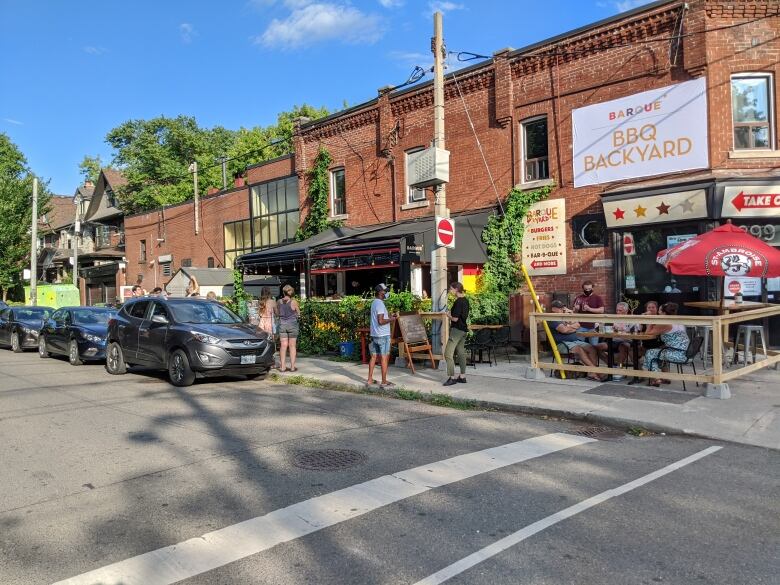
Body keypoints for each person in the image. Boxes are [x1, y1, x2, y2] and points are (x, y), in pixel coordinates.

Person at [549, 300, 605, 381]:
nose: (563, 309)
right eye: (560, 308)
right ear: (553, 309)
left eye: (563, 307)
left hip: (574, 341)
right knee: (579, 349)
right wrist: (571, 327)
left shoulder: (563, 316)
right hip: (562, 343)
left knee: (591, 348)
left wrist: (570, 324)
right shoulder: (552, 318)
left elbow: (578, 324)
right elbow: (564, 330)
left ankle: (591, 373)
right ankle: (595, 371)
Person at [643, 302, 690, 387]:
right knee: (659, 350)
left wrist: (650, 319)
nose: (658, 313)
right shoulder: (677, 321)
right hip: (687, 353)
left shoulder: (665, 323)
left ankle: (656, 378)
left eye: (660, 311)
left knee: (649, 352)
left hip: (678, 354)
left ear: (664, 313)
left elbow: (648, 333)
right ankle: (664, 376)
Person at [367, 283, 396, 388]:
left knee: (373, 357)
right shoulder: (380, 304)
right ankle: (384, 382)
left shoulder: (374, 302)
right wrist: (391, 319)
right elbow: (380, 321)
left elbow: (379, 318)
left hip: (375, 335)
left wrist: (389, 316)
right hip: (383, 335)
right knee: (384, 357)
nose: (386, 293)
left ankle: (369, 380)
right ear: (380, 292)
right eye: (385, 291)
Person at [443, 282, 469, 386]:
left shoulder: (458, 302)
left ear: (456, 290)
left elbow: (455, 318)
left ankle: (452, 378)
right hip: (463, 330)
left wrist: (448, 315)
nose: (450, 291)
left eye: (451, 289)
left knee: (448, 354)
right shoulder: (466, 301)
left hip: (456, 331)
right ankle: (462, 376)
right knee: (461, 352)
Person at [572, 280, 604, 346]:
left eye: (589, 289)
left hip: (593, 326)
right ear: (583, 289)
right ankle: (582, 356)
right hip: (581, 325)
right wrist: (575, 309)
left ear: (592, 288)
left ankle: (594, 356)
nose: (587, 290)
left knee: (594, 345)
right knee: (579, 345)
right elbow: (573, 311)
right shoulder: (579, 298)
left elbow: (601, 310)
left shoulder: (597, 298)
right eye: (586, 289)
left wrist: (590, 309)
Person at [277, 284, 300, 372]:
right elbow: (298, 313)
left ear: (283, 292)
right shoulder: (294, 302)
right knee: (292, 346)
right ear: (291, 292)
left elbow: (277, 313)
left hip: (282, 325)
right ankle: (292, 367)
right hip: (292, 325)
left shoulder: (279, 301)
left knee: (283, 346)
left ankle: (282, 367)